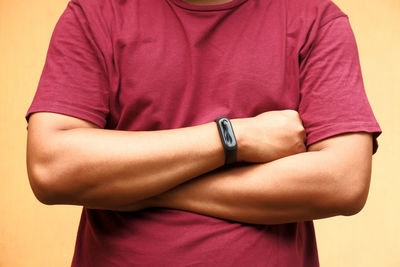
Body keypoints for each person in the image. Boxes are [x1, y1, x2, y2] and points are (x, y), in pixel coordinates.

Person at [26, 0, 381, 266]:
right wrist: (234, 138)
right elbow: (52, 168)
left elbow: (343, 182)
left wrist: (144, 186)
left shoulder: (315, 18)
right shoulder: (95, 13)